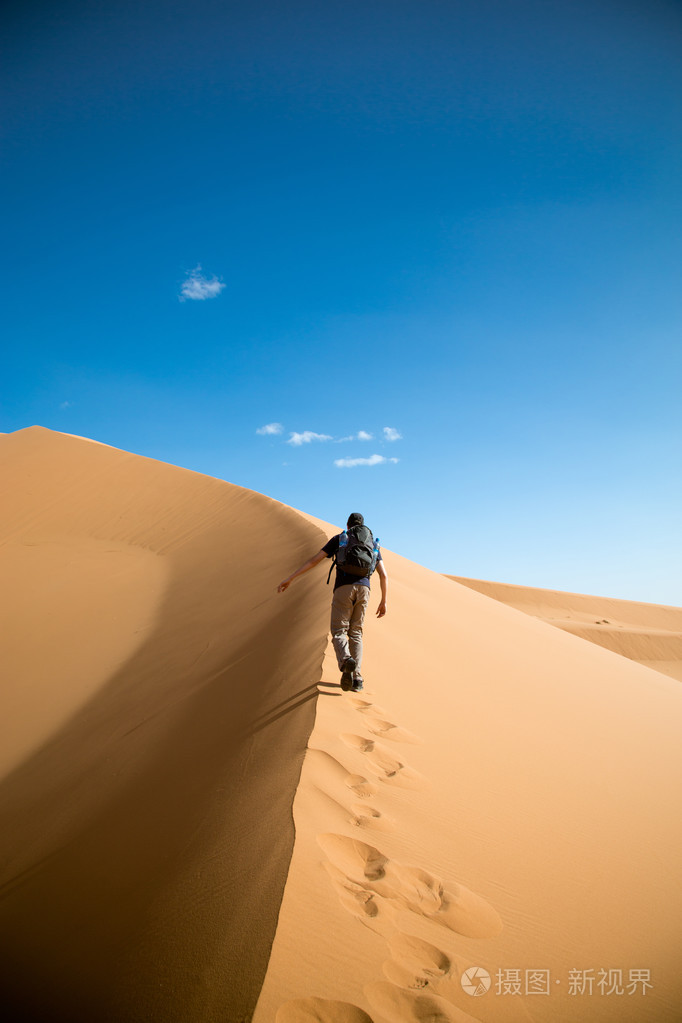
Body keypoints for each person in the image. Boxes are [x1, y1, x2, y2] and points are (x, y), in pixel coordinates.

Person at [277, 513, 387, 692]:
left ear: (348, 525)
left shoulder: (341, 539)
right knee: (356, 633)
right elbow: (383, 575)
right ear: (363, 526)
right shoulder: (372, 545)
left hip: (343, 588)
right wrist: (383, 601)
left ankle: (345, 659)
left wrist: (291, 578)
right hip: (364, 590)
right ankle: (357, 678)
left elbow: (314, 560)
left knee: (339, 631)